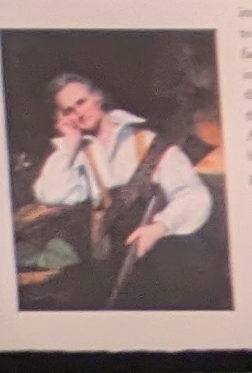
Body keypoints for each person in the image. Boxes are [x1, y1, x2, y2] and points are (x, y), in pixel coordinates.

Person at [17, 70, 228, 310]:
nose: (78, 113)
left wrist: (159, 228)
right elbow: (50, 195)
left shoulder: (147, 141)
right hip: (115, 264)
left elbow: (194, 195)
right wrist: (68, 145)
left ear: (98, 97)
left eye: (81, 102)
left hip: (167, 253)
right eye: (68, 111)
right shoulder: (81, 154)